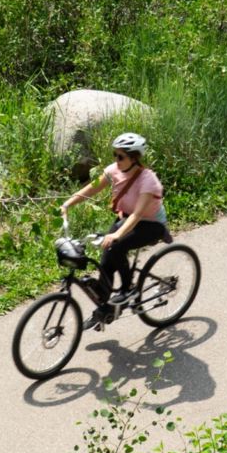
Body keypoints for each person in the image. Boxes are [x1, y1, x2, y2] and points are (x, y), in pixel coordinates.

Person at [61, 132, 170, 328]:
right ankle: (105, 308)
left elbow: (137, 214)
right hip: (126, 219)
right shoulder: (114, 171)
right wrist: (67, 204)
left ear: (134, 157)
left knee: (117, 246)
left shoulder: (148, 180)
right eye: (115, 155)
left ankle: (128, 290)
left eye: (121, 156)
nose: (116, 160)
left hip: (151, 224)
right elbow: (91, 189)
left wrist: (117, 234)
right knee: (106, 262)